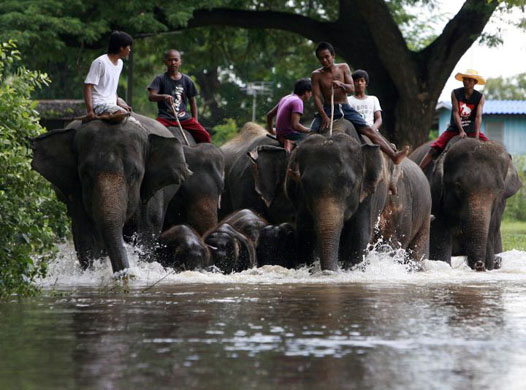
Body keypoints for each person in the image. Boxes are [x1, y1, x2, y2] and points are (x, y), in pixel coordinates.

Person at [311, 42, 408, 164]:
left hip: (345, 108)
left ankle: (394, 155)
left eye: (327, 57)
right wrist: (324, 116)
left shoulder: (343, 67)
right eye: (321, 58)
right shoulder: (316, 75)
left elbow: (351, 88)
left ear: (333, 55)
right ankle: (296, 168)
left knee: (369, 130)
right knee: (311, 135)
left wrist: (341, 85)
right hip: (328, 109)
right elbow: (316, 97)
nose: (324, 60)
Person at [419, 69, 488, 170]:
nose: (466, 81)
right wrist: (461, 130)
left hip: (472, 129)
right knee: (434, 149)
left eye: (469, 80)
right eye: (465, 79)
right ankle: (418, 170)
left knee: (491, 149)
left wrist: (476, 136)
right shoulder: (456, 93)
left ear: (475, 82)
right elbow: (456, 112)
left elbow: (478, 117)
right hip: (455, 129)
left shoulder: (480, 97)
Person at [147, 49, 211, 143]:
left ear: (180, 62)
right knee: (150, 134)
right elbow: (151, 96)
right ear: (165, 62)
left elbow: (192, 101)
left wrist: (195, 120)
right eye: (170, 60)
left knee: (205, 136)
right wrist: (164, 97)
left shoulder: (187, 80)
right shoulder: (159, 79)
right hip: (165, 118)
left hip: (184, 118)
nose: (173, 63)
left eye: (175, 60)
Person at [84, 31, 133, 120]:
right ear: (121, 48)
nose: (129, 50)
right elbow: (88, 87)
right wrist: (90, 111)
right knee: (121, 113)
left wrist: (118, 102)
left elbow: (111, 88)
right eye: (128, 47)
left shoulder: (120, 64)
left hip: (112, 104)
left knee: (128, 113)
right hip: (99, 105)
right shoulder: (100, 62)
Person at [266, 79, 313, 149]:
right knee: (313, 139)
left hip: (280, 134)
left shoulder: (286, 98)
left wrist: (271, 130)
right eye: (311, 92)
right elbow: (295, 126)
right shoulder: (298, 101)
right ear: (306, 92)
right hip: (289, 135)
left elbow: (269, 115)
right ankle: (291, 142)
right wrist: (310, 130)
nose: (311, 95)